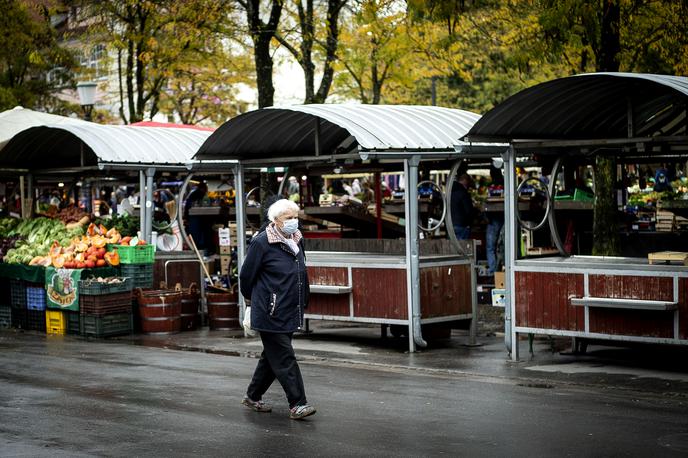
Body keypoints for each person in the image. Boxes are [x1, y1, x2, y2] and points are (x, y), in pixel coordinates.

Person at [239, 199, 315, 420]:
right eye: (288, 218)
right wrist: (255, 301)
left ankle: (252, 396)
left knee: (272, 358)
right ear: (275, 220)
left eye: (295, 217)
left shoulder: (297, 239)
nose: (294, 222)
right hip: (269, 311)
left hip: (291, 308)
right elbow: (246, 276)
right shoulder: (262, 242)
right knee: (284, 357)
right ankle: (298, 403)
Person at [184, 182, 209, 252]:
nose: (206, 190)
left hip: (192, 216)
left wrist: (186, 217)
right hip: (194, 217)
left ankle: (196, 248)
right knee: (197, 234)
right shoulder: (199, 194)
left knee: (196, 234)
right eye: (206, 188)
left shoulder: (194, 193)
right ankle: (199, 248)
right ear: (203, 188)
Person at [450, 174, 476, 240]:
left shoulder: (450, 191)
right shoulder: (463, 193)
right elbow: (469, 211)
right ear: (465, 181)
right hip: (462, 225)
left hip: (450, 225)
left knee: (452, 248)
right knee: (462, 248)